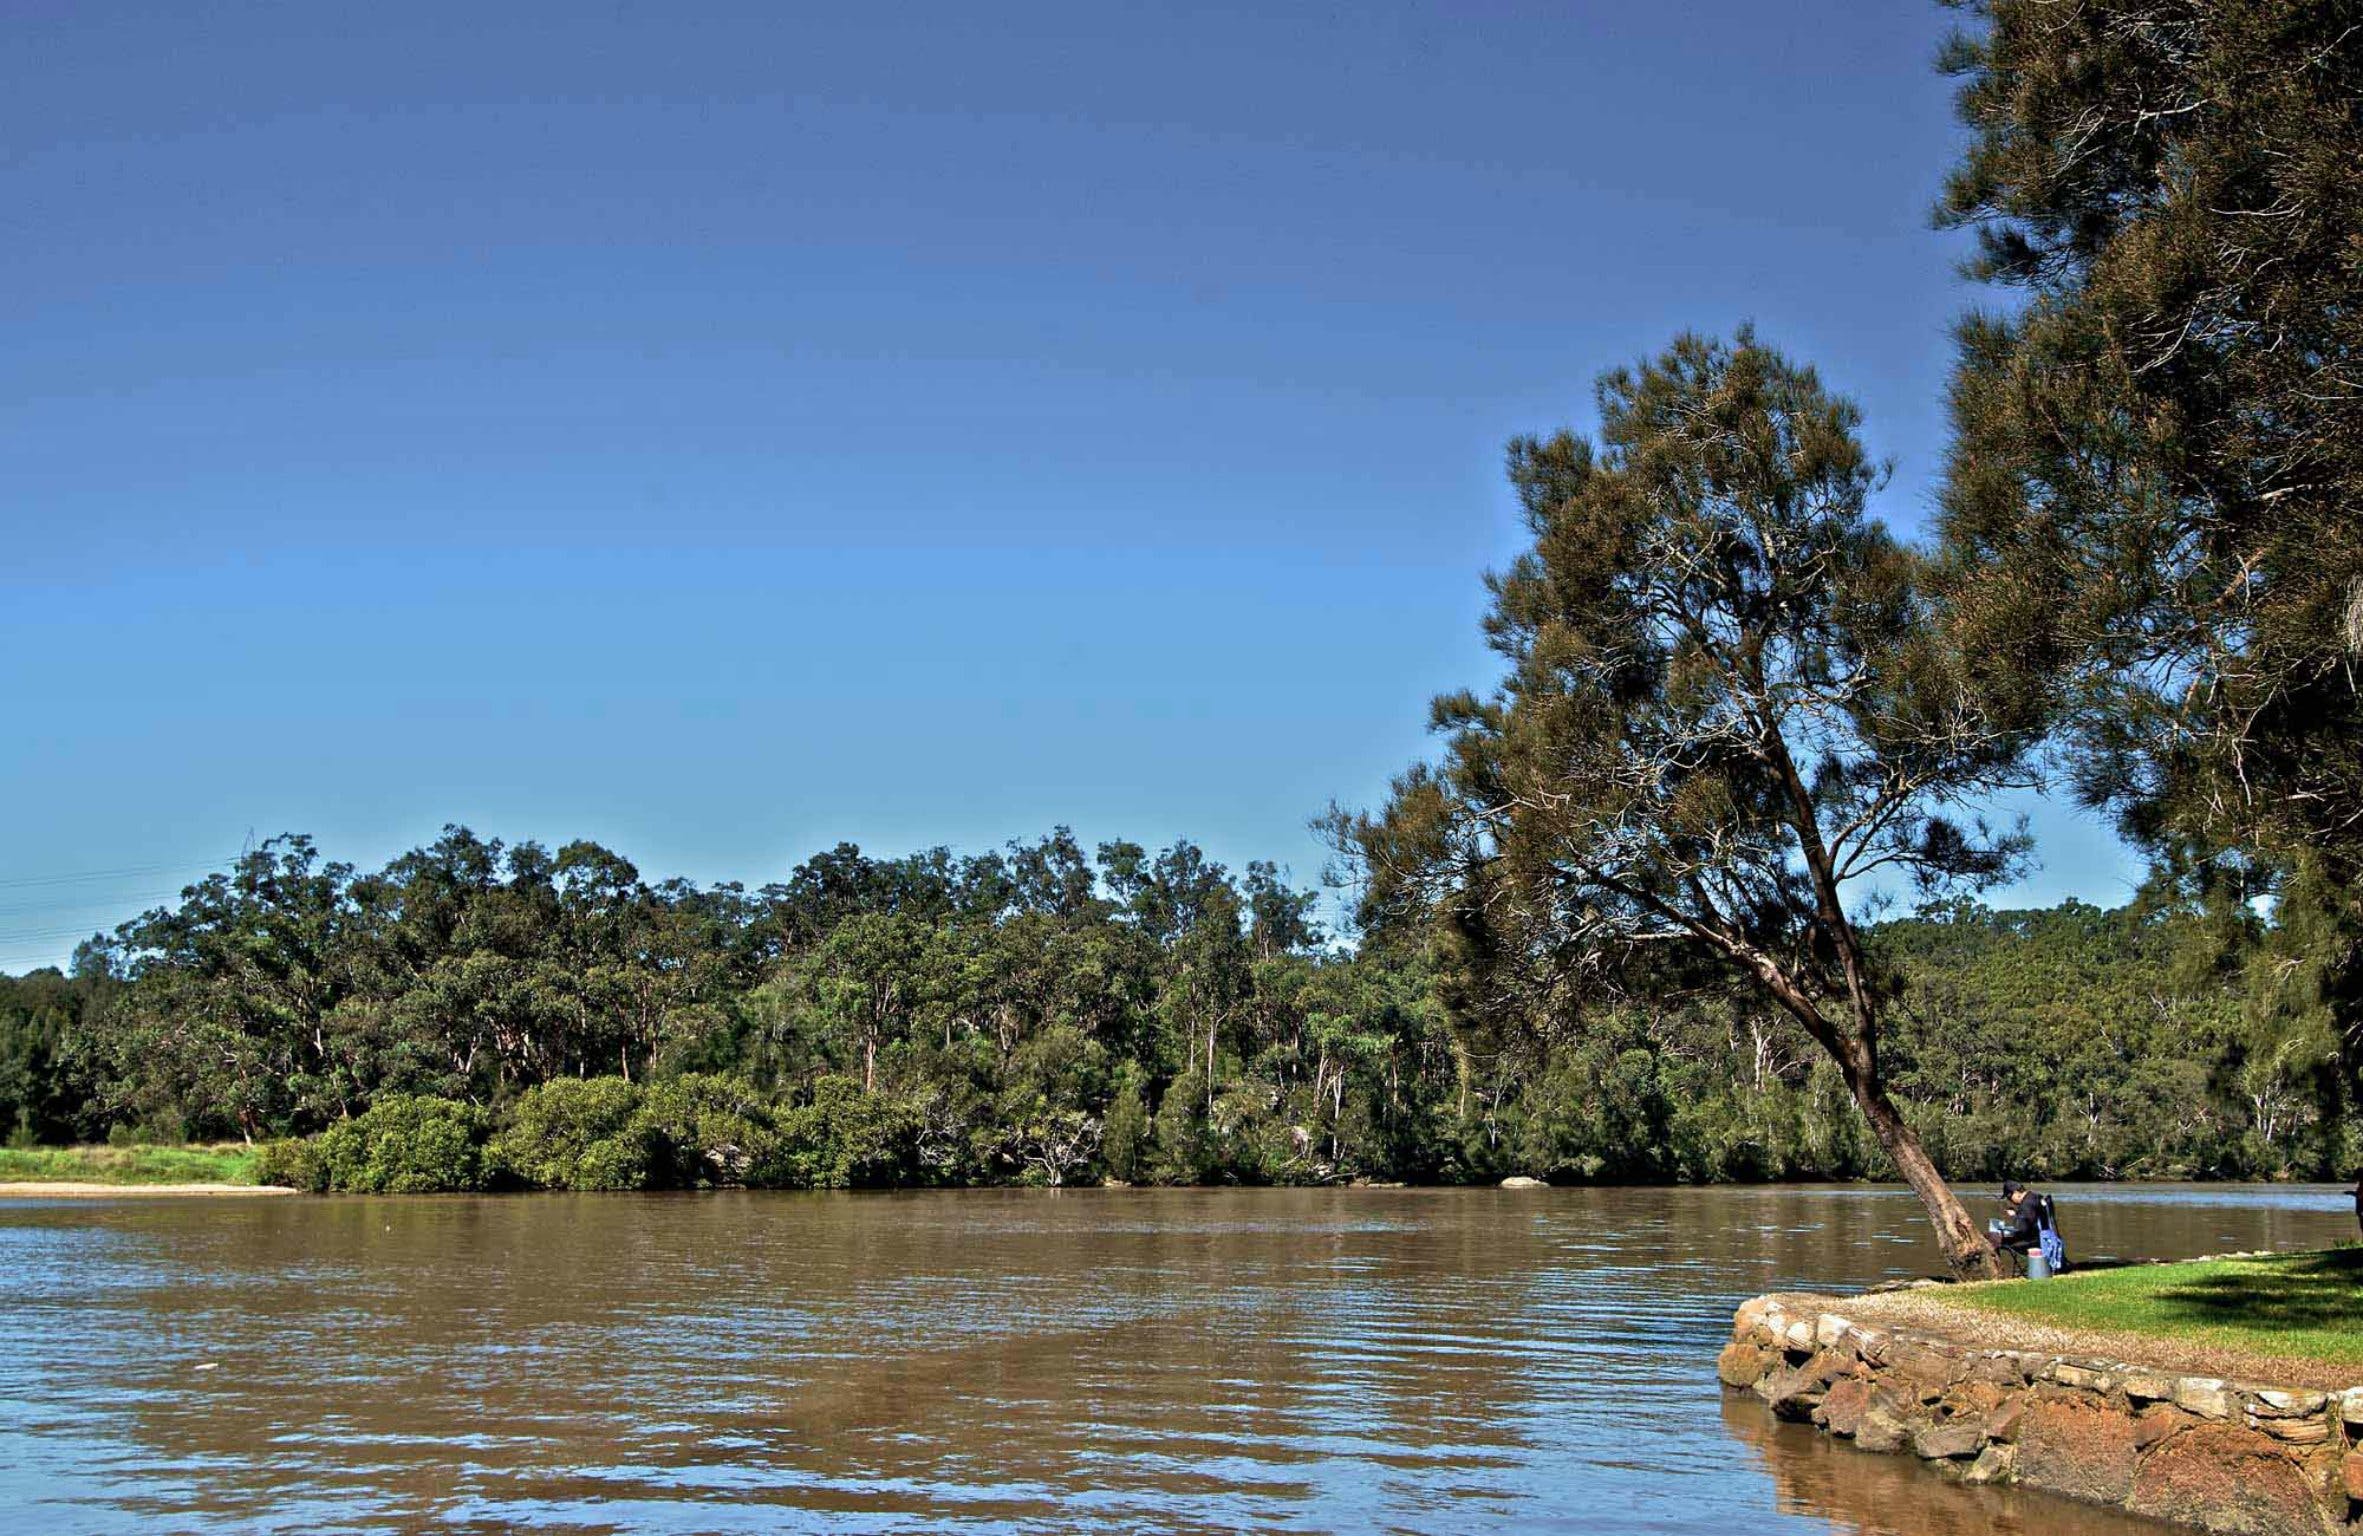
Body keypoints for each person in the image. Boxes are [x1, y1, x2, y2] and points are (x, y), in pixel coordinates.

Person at [1987, 1181, 2064, 1273]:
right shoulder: (2035, 1196)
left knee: (1993, 1239)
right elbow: (2031, 1220)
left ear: (2016, 1193)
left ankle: (1997, 1272)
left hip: (2036, 1243)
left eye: (2009, 1197)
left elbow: (2022, 1229)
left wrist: (2014, 1216)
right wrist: (2017, 1214)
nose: (2009, 1200)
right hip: (2047, 1239)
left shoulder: (2026, 1204)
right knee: (1997, 1238)